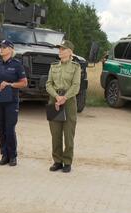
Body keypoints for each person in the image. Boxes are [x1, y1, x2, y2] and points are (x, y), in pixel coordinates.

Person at [0, 40, 27, 167]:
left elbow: (24, 83)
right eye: (0, 47)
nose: (1, 49)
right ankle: (4, 155)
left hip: (11, 101)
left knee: (10, 128)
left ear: (11, 49)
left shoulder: (17, 65)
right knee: (1, 127)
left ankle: (12, 156)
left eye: (4, 47)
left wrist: (10, 84)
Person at [46, 40, 81, 173]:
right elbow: (48, 84)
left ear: (70, 52)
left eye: (63, 49)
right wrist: (57, 96)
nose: (60, 51)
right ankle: (57, 161)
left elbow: (76, 86)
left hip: (69, 101)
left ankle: (67, 161)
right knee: (55, 133)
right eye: (59, 49)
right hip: (54, 100)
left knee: (68, 134)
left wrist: (64, 97)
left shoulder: (75, 67)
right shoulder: (53, 66)